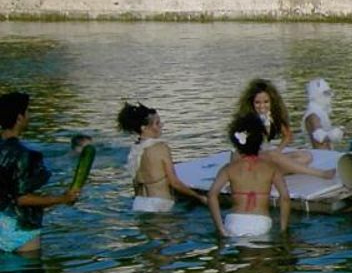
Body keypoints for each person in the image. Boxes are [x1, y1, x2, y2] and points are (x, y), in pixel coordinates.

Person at [0, 92, 80, 254]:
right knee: (28, 268)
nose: (29, 115)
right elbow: (22, 198)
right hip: (21, 228)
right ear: (19, 117)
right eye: (27, 111)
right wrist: (62, 199)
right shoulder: (25, 154)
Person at [208, 112, 289, 240]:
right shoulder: (271, 168)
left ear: (236, 142)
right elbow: (285, 198)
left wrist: (221, 228)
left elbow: (212, 195)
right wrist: (283, 229)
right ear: (260, 140)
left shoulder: (229, 168)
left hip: (234, 222)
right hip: (261, 223)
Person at [236, 79, 334, 179]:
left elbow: (287, 136)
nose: (262, 106)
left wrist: (278, 150)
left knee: (305, 156)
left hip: (266, 158)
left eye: (266, 102)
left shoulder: (273, 116)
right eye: (257, 102)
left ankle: (271, 173)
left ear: (272, 101)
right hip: (249, 159)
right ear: (251, 102)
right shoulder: (247, 119)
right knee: (273, 155)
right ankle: (319, 173)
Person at [117, 102, 202, 213]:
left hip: (139, 203)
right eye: (157, 123)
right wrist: (198, 197)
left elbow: (136, 184)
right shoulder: (161, 148)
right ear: (144, 128)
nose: (161, 125)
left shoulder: (135, 150)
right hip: (160, 204)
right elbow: (174, 183)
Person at [301, 78, 344, 150]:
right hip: (318, 155)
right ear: (316, 95)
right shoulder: (313, 115)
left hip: (325, 154)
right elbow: (319, 137)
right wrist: (334, 134)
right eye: (326, 93)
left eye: (329, 93)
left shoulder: (319, 112)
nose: (330, 96)